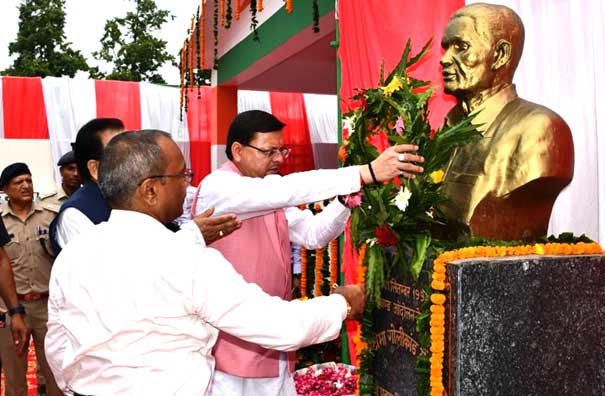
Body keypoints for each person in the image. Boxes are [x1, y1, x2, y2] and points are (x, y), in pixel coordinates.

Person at [45, 130, 367, 396]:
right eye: (181, 174)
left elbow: (58, 345)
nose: (188, 183)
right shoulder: (183, 258)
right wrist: (343, 303)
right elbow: (279, 325)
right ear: (151, 190)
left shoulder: (76, 253)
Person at [195, 110, 424, 396]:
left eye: (282, 150)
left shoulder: (266, 194)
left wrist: (344, 202)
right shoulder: (220, 188)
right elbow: (287, 190)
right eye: (269, 151)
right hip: (232, 350)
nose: (278, 159)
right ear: (237, 151)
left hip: (277, 336)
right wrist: (366, 172)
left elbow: (313, 235)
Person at [439, 3, 574, 240]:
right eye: (446, 48)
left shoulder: (541, 128)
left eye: (461, 47)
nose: (445, 59)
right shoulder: (447, 130)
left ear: (500, 55)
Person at [49, 118, 240, 254]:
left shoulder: (138, 195)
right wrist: (192, 236)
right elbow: (117, 269)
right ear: (95, 168)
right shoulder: (75, 215)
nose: (132, 151)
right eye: (117, 149)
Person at [0, 163, 61, 396]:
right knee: (15, 379)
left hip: (48, 307)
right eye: (18, 182)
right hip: (10, 308)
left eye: (28, 180)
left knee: (55, 373)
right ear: (5, 189)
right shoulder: (0, 222)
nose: (26, 185)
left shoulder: (51, 216)